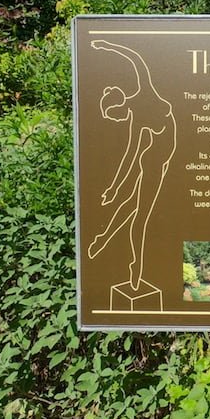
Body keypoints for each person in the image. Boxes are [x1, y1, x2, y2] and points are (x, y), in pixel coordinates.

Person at [87, 40, 177, 292]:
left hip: (157, 159)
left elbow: (136, 58)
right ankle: (123, 254)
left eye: (113, 115)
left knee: (137, 212)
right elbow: (130, 156)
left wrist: (107, 44)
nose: (115, 119)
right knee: (135, 208)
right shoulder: (136, 118)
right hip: (154, 157)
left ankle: (123, 255)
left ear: (119, 104)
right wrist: (115, 188)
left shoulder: (144, 94)